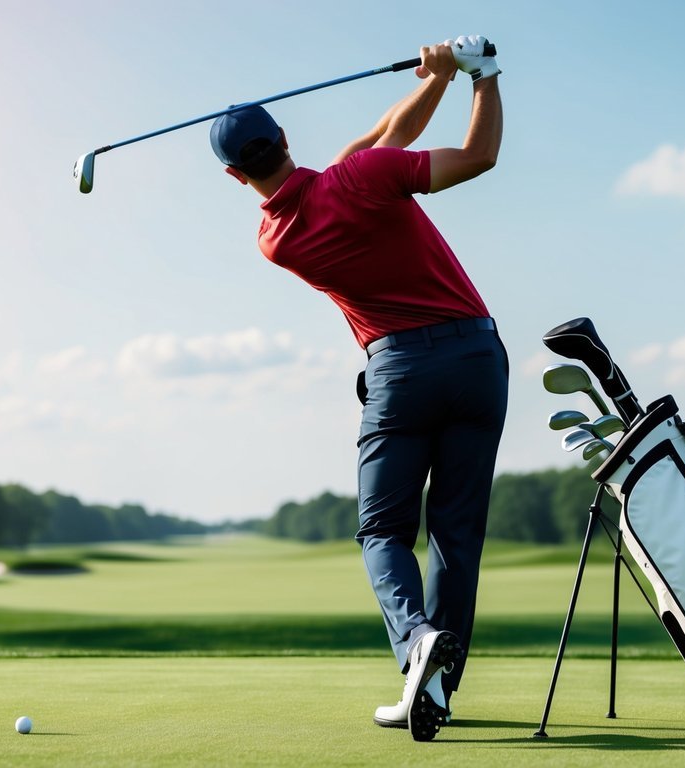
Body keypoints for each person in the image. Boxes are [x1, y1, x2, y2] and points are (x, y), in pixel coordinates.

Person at [209, 37, 506, 742]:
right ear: (284, 137)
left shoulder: (276, 238)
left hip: (399, 372)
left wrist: (434, 80)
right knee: (455, 535)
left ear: (232, 176)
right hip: (475, 357)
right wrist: (480, 77)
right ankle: (436, 686)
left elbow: (381, 137)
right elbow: (475, 157)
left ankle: (415, 651)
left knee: (381, 531)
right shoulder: (364, 177)